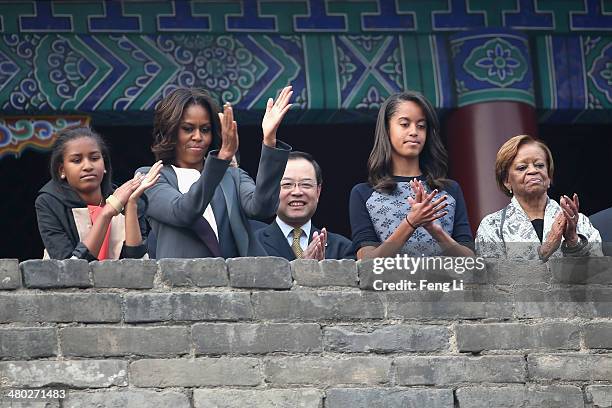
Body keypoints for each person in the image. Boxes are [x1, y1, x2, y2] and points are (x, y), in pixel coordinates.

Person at [138, 86, 293, 258]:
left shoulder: (232, 176)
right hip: (180, 282)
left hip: (234, 282)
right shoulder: (151, 176)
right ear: (170, 130)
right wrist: (221, 159)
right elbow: (183, 212)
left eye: (205, 129)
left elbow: (262, 208)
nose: (198, 136)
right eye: (188, 128)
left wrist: (269, 141)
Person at [350, 91, 474, 259]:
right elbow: (366, 263)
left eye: (421, 126)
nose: (414, 132)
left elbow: (470, 261)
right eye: (404, 124)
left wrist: (435, 230)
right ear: (386, 129)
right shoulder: (363, 193)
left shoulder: (450, 190)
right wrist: (410, 223)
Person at [35, 127, 161, 260]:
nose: (88, 166)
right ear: (62, 170)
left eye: (94, 158)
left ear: (105, 165)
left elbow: (136, 265)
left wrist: (131, 205)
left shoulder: (126, 199)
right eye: (77, 161)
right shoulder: (49, 202)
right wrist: (106, 213)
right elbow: (69, 269)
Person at [476, 134, 602, 260]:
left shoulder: (579, 222)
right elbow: (493, 277)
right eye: (522, 167)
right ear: (506, 181)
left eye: (539, 165)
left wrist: (574, 242)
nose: (533, 171)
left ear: (549, 175)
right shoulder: (492, 226)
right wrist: (544, 252)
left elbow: (599, 272)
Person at [256, 151, 354, 260]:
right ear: (272, 191)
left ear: (318, 191)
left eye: (306, 184)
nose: (297, 192)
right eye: (287, 184)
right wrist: (302, 268)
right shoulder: (252, 245)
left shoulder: (342, 248)